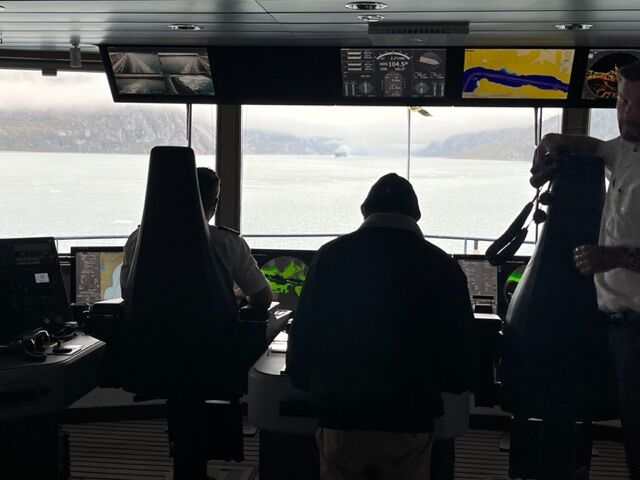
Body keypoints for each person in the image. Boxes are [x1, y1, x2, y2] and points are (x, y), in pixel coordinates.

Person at [286, 173, 477, 480]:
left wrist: (306, 380)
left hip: (340, 416)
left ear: (366, 210)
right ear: (415, 214)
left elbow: (303, 333)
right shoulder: (443, 265)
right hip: (409, 419)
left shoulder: (329, 257)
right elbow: (460, 354)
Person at [532, 61, 640, 476]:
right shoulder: (624, 149)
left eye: (639, 105)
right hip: (616, 326)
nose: (629, 114)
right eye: (623, 102)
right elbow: (591, 147)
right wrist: (553, 141)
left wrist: (617, 258)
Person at [121, 167, 273, 308]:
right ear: (214, 203)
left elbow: (127, 293)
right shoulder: (228, 243)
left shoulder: (137, 239)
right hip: (212, 330)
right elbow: (262, 297)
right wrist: (234, 295)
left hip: (148, 329)